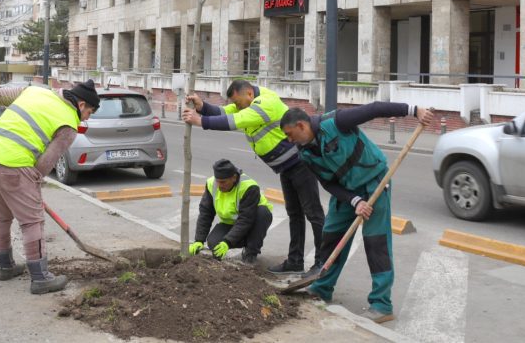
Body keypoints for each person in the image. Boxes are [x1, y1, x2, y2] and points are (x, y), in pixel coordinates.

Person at [279, 102, 433, 323]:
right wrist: (354, 200)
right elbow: (327, 183)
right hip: (347, 193)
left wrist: (414, 110)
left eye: (290, 134)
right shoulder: (305, 153)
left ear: (302, 125)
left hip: (374, 182)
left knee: (375, 242)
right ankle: (321, 288)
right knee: (331, 235)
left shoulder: (336, 122)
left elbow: (375, 109)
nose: (289, 140)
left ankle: (382, 304)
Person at [0, 79, 100, 295]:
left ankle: (6, 267)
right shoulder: (69, 125)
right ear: (81, 105)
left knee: (1, 218)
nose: (88, 117)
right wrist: (32, 183)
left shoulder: (35, 92)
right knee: (32, 221)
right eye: (90, 112)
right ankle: (40, 278)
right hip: (12, 164)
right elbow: (45, 164)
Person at [182, 80, 325, 278]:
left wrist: (200, 121)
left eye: (239, 102)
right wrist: (203, 107)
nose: (238, 106)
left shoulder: (265, 102)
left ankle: (322, 263)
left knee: (314, 214)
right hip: (286, 168)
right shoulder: (247, 102)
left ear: (249, 93)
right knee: (295, 214)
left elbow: (235, 121)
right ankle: (295, 261)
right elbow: (226, 112)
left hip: (300, 163)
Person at [188, 159, 273, 265]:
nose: (219, 185)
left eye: (223, 182)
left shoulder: (249, 187)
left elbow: (245, 219)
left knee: (262, 212)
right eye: (217, 181)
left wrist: (227, 241)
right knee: (214, 243)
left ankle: (251, 252)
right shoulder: (211, 184)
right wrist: (199, 240)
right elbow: (206, 213)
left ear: (234, 177)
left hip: (252, 221)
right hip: (231, 224)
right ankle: (247, 241)